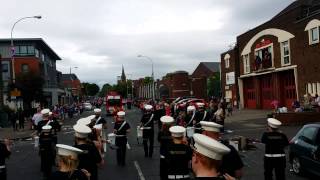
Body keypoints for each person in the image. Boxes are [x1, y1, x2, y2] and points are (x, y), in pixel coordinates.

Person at [158, 116, 174, 180]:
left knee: (163, 173)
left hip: (163, 154)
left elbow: (159, 140)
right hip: (171, 154)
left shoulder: (161, 132)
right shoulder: (173, 133)